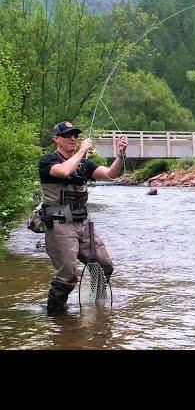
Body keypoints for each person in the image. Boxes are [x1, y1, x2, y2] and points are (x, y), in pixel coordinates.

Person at [39, 121, 128, 314]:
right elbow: (63, 171)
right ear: (56, 139)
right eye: (67, 135)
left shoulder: (85, 164)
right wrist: (82, 151)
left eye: (75, 135)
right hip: (59, 224)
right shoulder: (48, 161)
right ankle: (55, 315)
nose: (72, 138)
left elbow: (110, 174)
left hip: (83, 223)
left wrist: (120, 155)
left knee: (104, 266)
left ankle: (96, 306)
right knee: (68, 276)